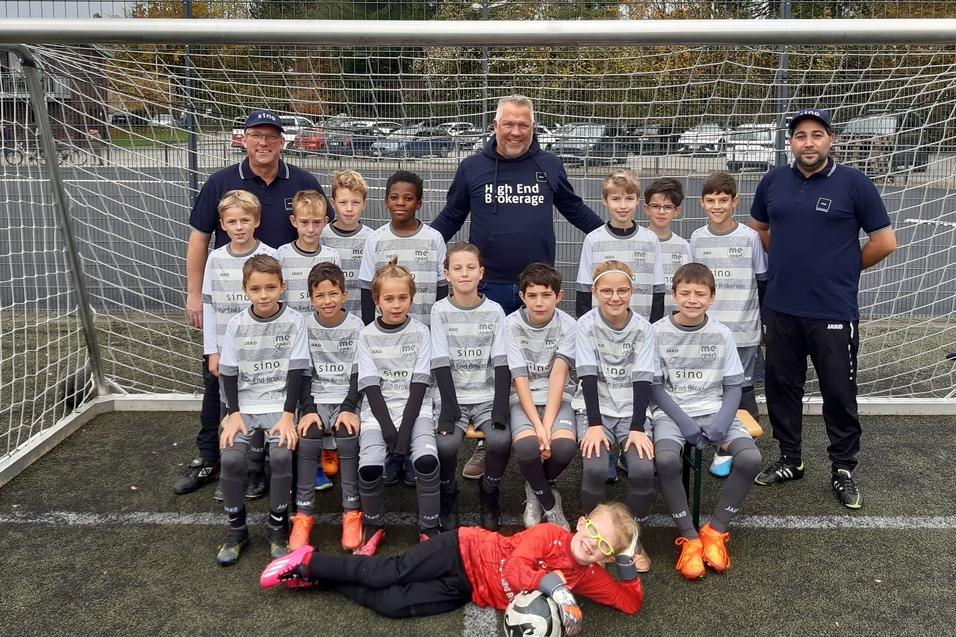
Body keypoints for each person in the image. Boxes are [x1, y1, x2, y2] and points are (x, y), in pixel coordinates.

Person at [749, 108, 897, 509]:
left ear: (830, 140)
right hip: (781, 307)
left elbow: (885, 241)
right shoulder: (773, 181)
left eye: (816, 135)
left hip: (833, 309)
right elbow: (759, 228)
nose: (808, 142)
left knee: (837, 391)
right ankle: (790, 459)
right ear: (791, 143)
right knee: (782, 386)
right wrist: (784, 260)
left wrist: (845, 269)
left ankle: (843, 468)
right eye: (800, 136)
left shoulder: (855, 183)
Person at [177, 108, 328, 495]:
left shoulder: (304, 181)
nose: (263, 142)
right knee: (219, 383)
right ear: (243, 139)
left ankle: (274, 459)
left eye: (271, 136)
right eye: (255, 135)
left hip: (278, 308)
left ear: (282, 141)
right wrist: (195, 294)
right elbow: (198, 239)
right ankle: (208, 455)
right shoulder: (221, 182)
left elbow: (320, 226)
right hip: (231, 310)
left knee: (277, 384)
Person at [260, 501, 644, 637]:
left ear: (606, 558)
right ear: (580, 522)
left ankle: (318, 579)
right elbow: (512, 569)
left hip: (468, 589)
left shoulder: (590, 573)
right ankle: (307, 560)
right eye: (593, 530)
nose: (593, 542)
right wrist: (555, 589)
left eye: (605, 545)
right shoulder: (550, 533)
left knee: (394, 606)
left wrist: (625, 559)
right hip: (461, 549)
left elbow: (630, 604)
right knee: (385, 574)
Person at [431, 94, 603, 315]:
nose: (515, 132)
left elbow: (575, 209)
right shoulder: (471, 167)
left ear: (533, 127)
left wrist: (613, 237)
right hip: (487, 284)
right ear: (495, 125)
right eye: (508, 124)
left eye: (523, 125)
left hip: (537, 286)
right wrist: (421, 244)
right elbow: (451, 217)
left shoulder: (550, 165)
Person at [650, 263, 762, 580]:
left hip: (714, 409)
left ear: (712, 297)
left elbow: (733, 386)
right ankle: (689, 536)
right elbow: (655, 388)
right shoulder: (656, 332)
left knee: (750, 458)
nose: (692, 299)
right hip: (673, 413)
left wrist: (721, 422)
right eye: (685, 292)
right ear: (673, 295)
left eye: (700, 293)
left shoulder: (722, 333)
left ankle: (715, 530)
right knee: (667, 460)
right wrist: (685, 423)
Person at [216, 254, 310, 566]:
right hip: (243, 406)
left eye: (271, 287)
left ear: (282, 287)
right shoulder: (236, 325)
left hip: (279, 406)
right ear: (245, 290)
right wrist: (232, 413)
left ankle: (277, 526)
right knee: (229, 457)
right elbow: (228, 372)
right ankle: (236, 530)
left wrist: (287, 415)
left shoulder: (296, 322)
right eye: (256, 289)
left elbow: (298, 372)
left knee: (282, 454)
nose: (264, 294)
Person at [353, 258, 441, 555]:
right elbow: (370, 387)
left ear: (412, 299)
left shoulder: (421, 332)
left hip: (416, 413)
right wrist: (391, 432)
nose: (396, 304)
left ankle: (429, 528)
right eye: (388, 298)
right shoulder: (365, 335)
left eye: (402, 297)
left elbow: (419, 386)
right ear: (376, 300)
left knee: (427, 462)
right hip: (378, 415)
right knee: (368, 468)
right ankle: (374, 526)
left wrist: (404, 431)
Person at [573, 260, 655, 572]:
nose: (615, 297)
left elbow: (644, 378)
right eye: (606, 291)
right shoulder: (585, 325)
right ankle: (594, 538)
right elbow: (588, 376)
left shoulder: (644, 328)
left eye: (622, 290)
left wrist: (637, 427)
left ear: (632, 291)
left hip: (631, 412)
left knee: (643, 470)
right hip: (596, 410)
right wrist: (594, 424)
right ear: (595, 292)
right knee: (594, 468)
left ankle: (631, 541)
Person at [198, 192, 279, 503]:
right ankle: (232, 472)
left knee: (260, 407)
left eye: (245, 220)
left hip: (263, 350)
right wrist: (213, 351)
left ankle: (257, 470)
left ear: (257, 221)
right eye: (232, 221)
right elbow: (210, 306)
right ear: (222, 225)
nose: (239, 226)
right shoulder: (216, 259)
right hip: (228, 353)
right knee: (230, 411)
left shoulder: (271, 256)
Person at [689, 171, 768, 477]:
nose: (717, 206)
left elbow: (762, 282)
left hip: (744, 329)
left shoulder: (749, 237)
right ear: (702, 203)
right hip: (708, 331)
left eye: (724, 200)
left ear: (736, 201)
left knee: (743, 388)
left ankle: (739, 446)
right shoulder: (697, 238)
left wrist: (765, 325)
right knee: (711, 387)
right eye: (711, 200)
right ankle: (714, 443)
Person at [430, 242, 511, 531]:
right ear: (447, 274)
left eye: (470, 268)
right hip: (451, 398)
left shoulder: (495, 311)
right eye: (457, 268)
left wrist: (501, 407)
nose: (464, 274)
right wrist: (448, 410)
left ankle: (489, 491)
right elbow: (440, 363)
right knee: (446, 444)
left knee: (501, 440)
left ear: (481, 273)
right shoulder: (439, 311)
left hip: (486, 396)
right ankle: (448, 493)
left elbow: (502, 363)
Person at [292, 262, 365, 551]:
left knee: (347, 439)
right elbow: (302, 372)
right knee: (308, 439)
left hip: (347, 398)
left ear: (344, 295)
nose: (327, 301)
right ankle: (304, 514)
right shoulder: (304, 325)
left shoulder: (357, 325)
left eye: (333, 294)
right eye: (320, 296)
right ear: (311, 299)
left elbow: (360, 373)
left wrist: (349, 406)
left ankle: (351, 512)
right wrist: (308, 408)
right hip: (317, 398)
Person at [504, 263, 578, 531]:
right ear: (522, 297)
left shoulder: (570, 325)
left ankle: (534, 485)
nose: (539, 303)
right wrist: (538, 426)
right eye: (532, 296)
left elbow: (558, 376)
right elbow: (519, 378)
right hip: (522, 397)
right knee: (526, 447)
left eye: (546, 295)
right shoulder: (510, 324)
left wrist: (547, 427)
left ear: (559, 297)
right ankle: (548, 502)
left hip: (559, 398)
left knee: (564, 447)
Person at [358, 170, 448, 328]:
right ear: (386, 202)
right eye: (394, 197)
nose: (400, 202)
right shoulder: (375, 239)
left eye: (408, 198)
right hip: (385, 334)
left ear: (418, 203)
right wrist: (369, 329)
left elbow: (442, 290)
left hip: (425, 330)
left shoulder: (434, 239)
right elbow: (367, 290)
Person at [575, 169, 665, 323]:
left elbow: (658, 289)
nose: (623, 206)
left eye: (629, 198)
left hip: (640, 327)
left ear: (638, 200)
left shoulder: (650, 239)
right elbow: (584, 289)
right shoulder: (593, 239)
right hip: (601, 327)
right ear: (604, 200)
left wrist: (652, 326)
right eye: (616, 199)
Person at [277, 190, 341, 315]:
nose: (311, 229)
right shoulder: (281, 254)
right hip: (291, 327)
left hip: (320, 326)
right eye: (304, 222)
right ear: (294, 221)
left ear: (325, 221)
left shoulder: (332, 256)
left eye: (317, 222)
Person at [322, 170, 373, 319]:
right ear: (333, 204)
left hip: (362, 318)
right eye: (343, 202)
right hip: (329, 318)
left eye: (355, 202)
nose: (349, 209)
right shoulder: (322, 236)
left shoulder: (372, 238)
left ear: (364, 204)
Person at [643, 178, 692, 318]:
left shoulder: (683, 247)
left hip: (673, 322)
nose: (661, 211)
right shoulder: (638, 241)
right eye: (656, 206)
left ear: (677, 211)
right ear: (646, 209)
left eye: (668, 207)